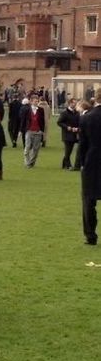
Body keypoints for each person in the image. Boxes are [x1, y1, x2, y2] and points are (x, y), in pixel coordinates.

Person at [79, 88, 101, 245]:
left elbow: (83, 144)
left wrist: (81, 163)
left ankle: (90, 235)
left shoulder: (88, 118)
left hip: (92, 161)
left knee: (88, 199)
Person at [21, 94, 45, 168]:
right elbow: (23, 121)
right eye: (35, 101)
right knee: (27, 147)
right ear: (31, 102)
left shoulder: (41, 110)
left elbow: (42, 121)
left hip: (38, 132)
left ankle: (31, 162)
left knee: (36, 149)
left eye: (37, 101)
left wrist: (42, 131)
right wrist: (20, 130)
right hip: (29, 131)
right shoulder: (27, 110)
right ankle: (27, 162)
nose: (36, 102)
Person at [57, 97, 80, 170]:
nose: (75, 104)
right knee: (68, 150)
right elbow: (59, 122)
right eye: (73, 103)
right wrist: (67, 127)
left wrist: (77, 128)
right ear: (70, 103)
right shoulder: (64, 113)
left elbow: (79, 122)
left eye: (75, 103)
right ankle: (68, 165)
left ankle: (64, 164)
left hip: (74, 134)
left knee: (69, 151)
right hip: (67, 134)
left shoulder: (77, 113)